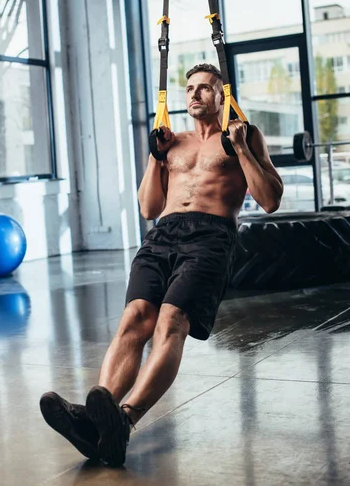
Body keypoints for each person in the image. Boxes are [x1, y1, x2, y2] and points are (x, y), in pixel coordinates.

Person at [40, 63, 283, 466]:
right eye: (189, 88)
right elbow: (149, 207)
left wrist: (240, 148)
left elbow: (271, 200)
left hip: (211, 236)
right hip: (162, 235)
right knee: (134, 318)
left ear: (223, 97)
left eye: (206, 88)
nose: (195, 95)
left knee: (172, 321)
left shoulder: (244, 134)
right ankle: (99, 424)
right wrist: (156, 157)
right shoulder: (171, 142)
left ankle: (125, 418)